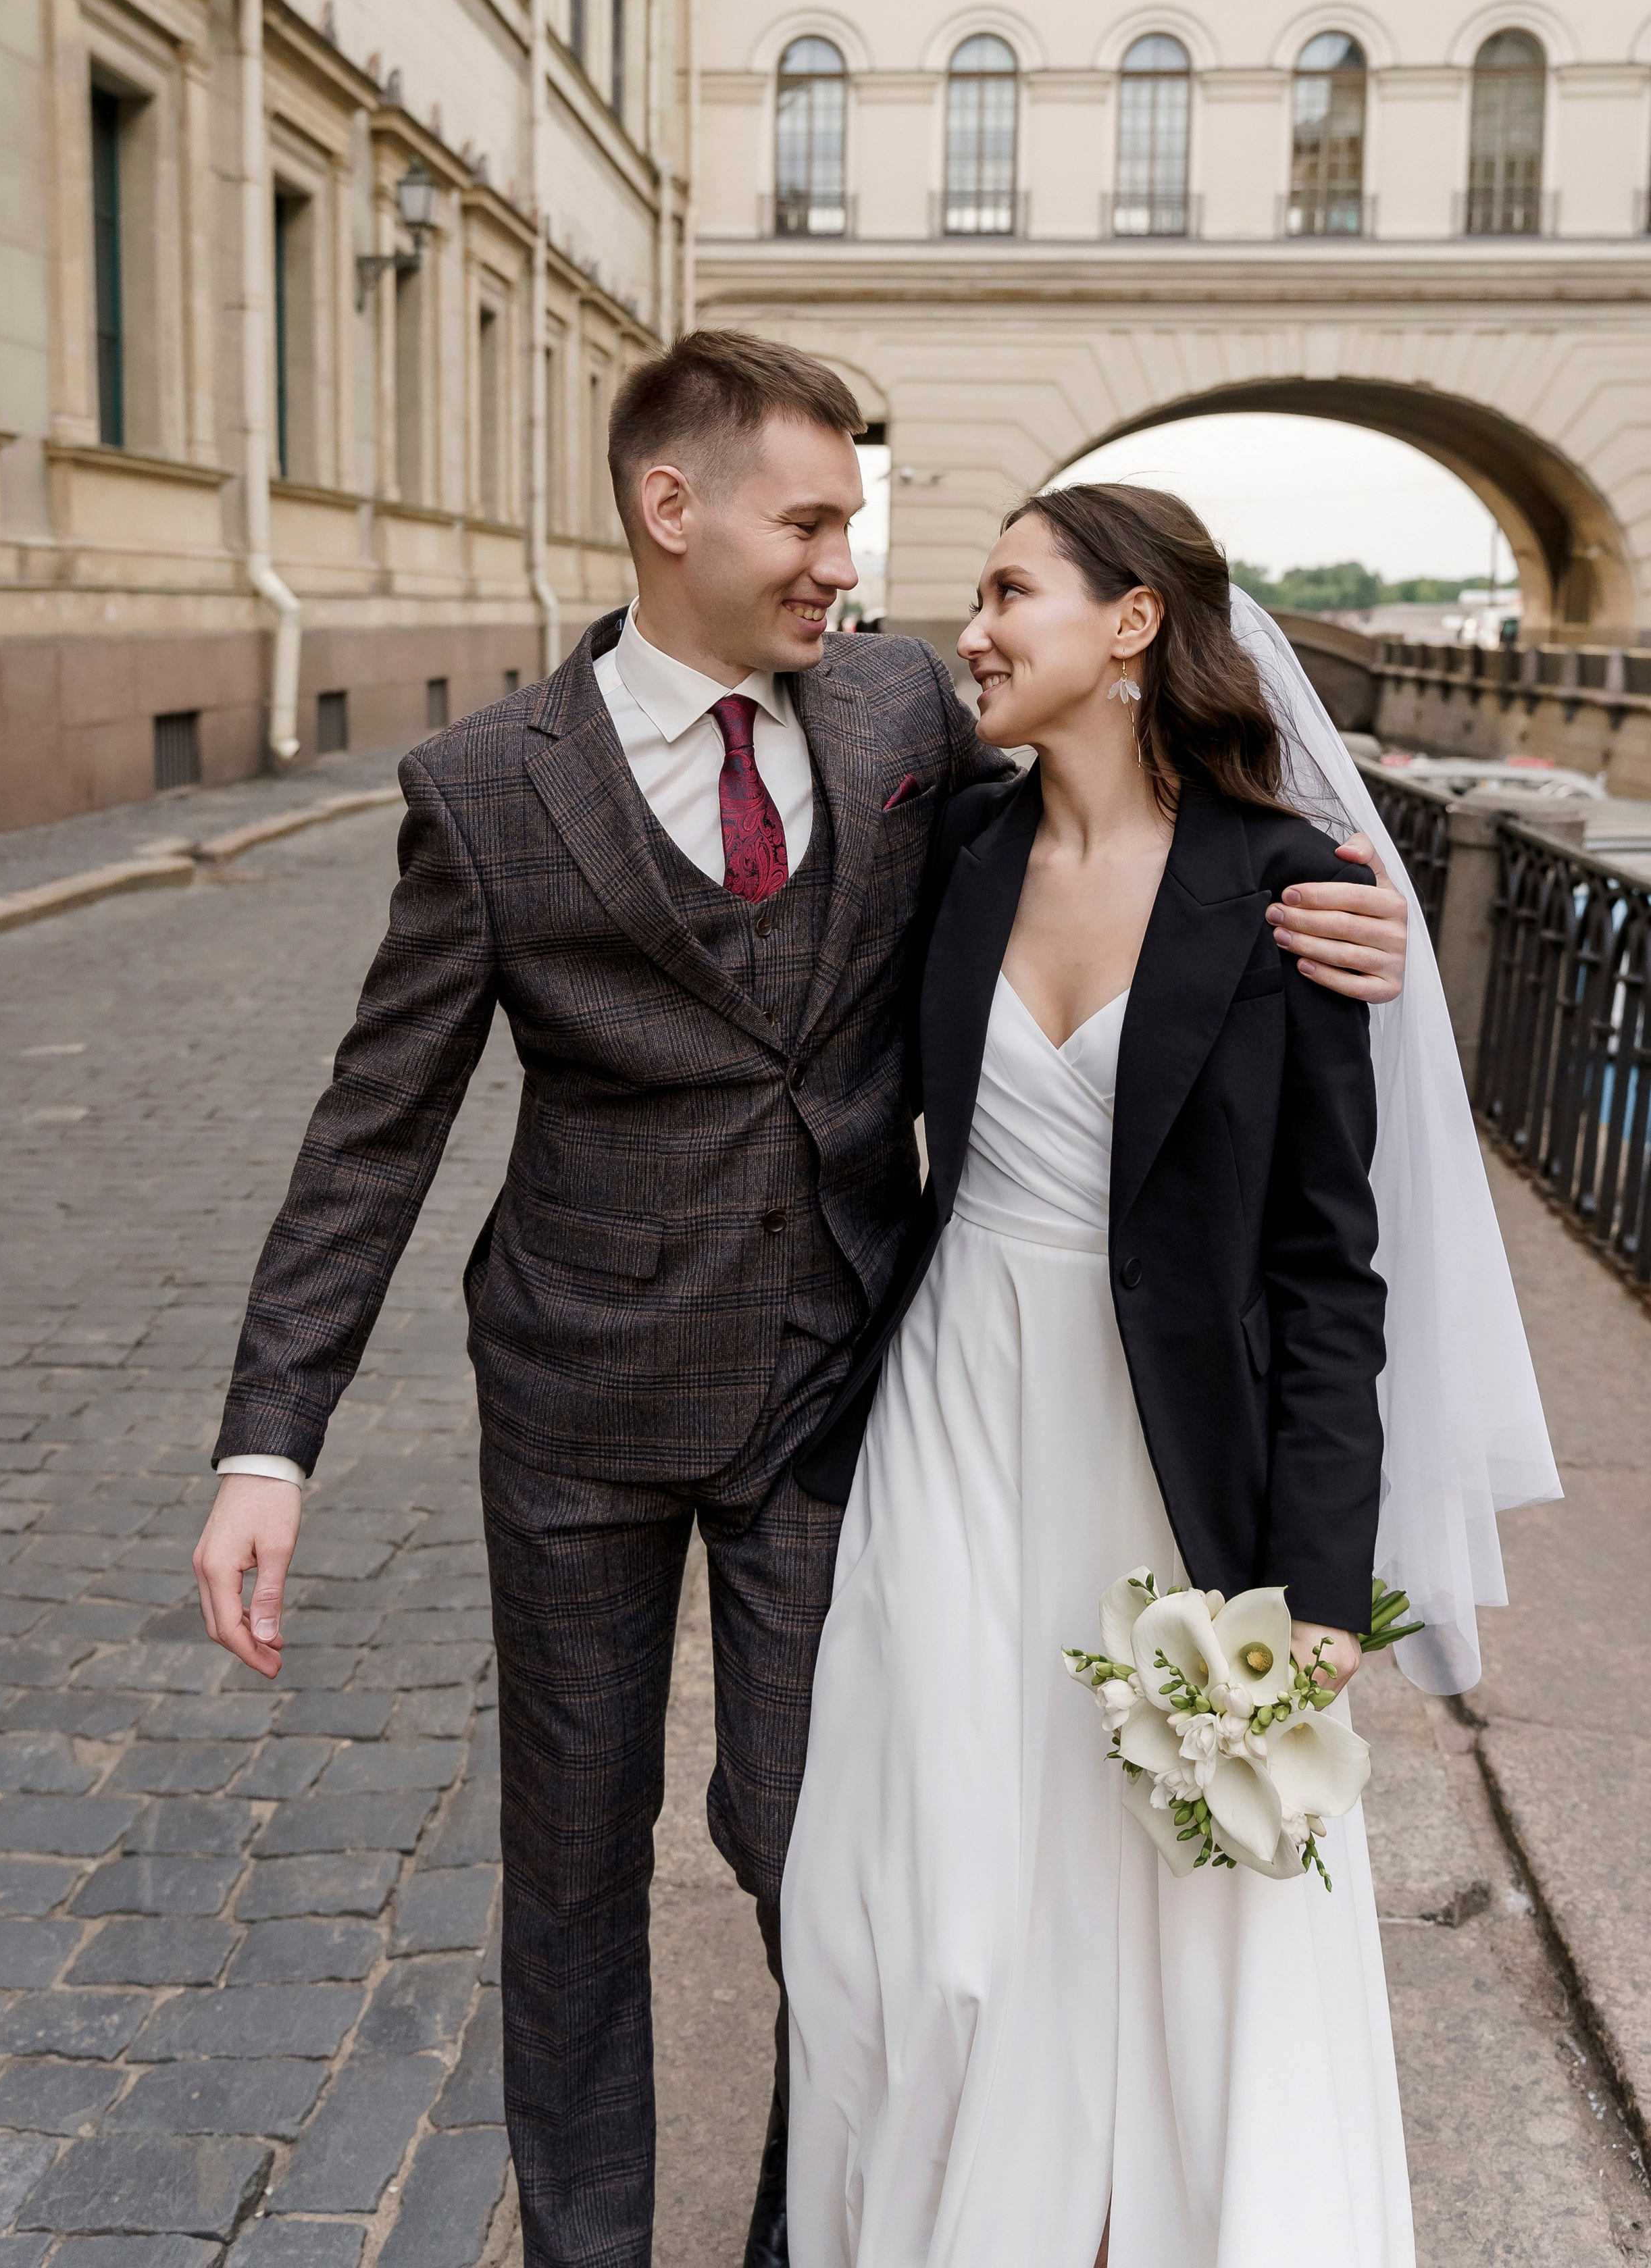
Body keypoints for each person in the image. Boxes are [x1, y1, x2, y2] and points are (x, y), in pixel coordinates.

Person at [190, 340, 1411, 2268]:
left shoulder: (904, 716)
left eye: (863, 518)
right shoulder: (488, 790)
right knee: (578, 1866)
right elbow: (374, 1131)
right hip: (579, 1394)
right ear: (674, 512)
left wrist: (1344, 905)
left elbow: (1135, 854)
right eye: (817, 518)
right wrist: (274, 1441)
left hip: (843, 1384)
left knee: (811, 1841)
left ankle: (808, 2230)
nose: (856, 561)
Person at [780, 481, 1556, 2268]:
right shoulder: (959, 847)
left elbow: (1324, 1271)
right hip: (956, 1404)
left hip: (1165, 1445)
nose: (971, 626)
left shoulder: (1287, 891)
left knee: (1169, 1880)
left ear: (1134, 626)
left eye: (1009, 592)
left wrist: (1315, 1587)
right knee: (911, 1879)